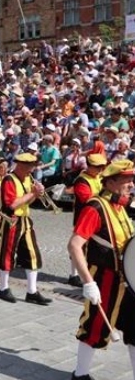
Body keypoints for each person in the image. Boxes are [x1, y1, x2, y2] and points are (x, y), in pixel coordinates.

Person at [68, 159, 135, 380]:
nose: (131, 184)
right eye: (127, 180)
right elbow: (74, 245)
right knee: (94, 326)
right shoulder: (95, 207)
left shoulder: (121, 205)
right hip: (104, 278)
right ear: (111, 182)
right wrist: (88, 282)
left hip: (126, 279)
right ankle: (80, 374)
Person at [0, 152, 51, 305]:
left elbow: (27, 201)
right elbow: (11, 205)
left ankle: (32, 291)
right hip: (12, 220)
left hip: (25, 219)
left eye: (32, 166)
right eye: (29, 167)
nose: (31, 170)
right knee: (7, 253)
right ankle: (3, 288)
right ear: (20, 165)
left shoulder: (28, 178)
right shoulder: (9, 179)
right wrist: (32, 193)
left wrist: (36, 194)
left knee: (33, 254)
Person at [67, 153, 107, 288]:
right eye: (97, 167)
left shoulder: (98, 176)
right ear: (89, 166)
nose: (100, 170)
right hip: (83, 218)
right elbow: (87, 199)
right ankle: (73, 275)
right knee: (79, 247)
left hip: (95, 218)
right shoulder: (81, 181)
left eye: (102, 167)